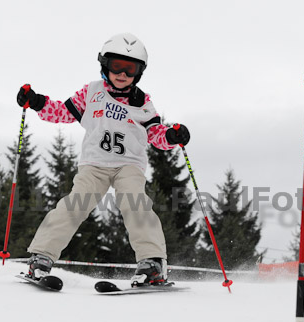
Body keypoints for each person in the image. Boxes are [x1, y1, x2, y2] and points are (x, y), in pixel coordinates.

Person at [16, 33, 190, 286]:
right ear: (104, 65)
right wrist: (37, 102)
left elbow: (155, 135)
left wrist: (173, 136)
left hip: (129, 164)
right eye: (116, 66)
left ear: (139, 73)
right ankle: (41, 257)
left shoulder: (143, 103)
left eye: (130, 69)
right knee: (75, 204)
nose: (122, 74)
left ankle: (152, 263)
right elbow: (63, 113)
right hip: (94, 164)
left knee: (135, 203)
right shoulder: (91, 92)